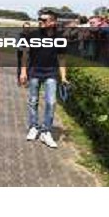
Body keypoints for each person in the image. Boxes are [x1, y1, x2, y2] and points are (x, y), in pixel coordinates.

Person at [20, 10, 67, 148]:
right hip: (34, 72)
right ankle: (34, 127)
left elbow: (62, 58)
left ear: (53, 22)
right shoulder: (33, 35)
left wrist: (64, 77)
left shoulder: (60, 38)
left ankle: (46, 131)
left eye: (44, 20)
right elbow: (25, 55)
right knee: (33, 101)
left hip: (51, 73)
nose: (40, 21)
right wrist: (23, 72)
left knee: (51, 102)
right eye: (39, 19)